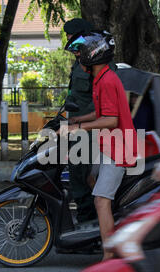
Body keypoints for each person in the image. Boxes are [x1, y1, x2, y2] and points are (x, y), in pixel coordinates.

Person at [62, 31, 138, 261]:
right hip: (109, 145)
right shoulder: (101, 77)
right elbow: (102, 112)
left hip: (119, 148)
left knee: (100, 200)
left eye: (81, 54)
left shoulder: (105, 80)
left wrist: (77, 129)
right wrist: (78, 119)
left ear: (93, 55)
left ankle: (108, 254)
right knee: (89, 178)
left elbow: (111, 120)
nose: (78, 58)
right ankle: (110, 225)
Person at [63, 18, 97, 223]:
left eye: (72, 37)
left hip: (91, 131)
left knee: (80, 176)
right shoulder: (80, 61)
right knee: (77, 175)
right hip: (77, 129)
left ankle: (87, 221)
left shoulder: (97, 62)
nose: (69, 41)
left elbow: (102, 103)